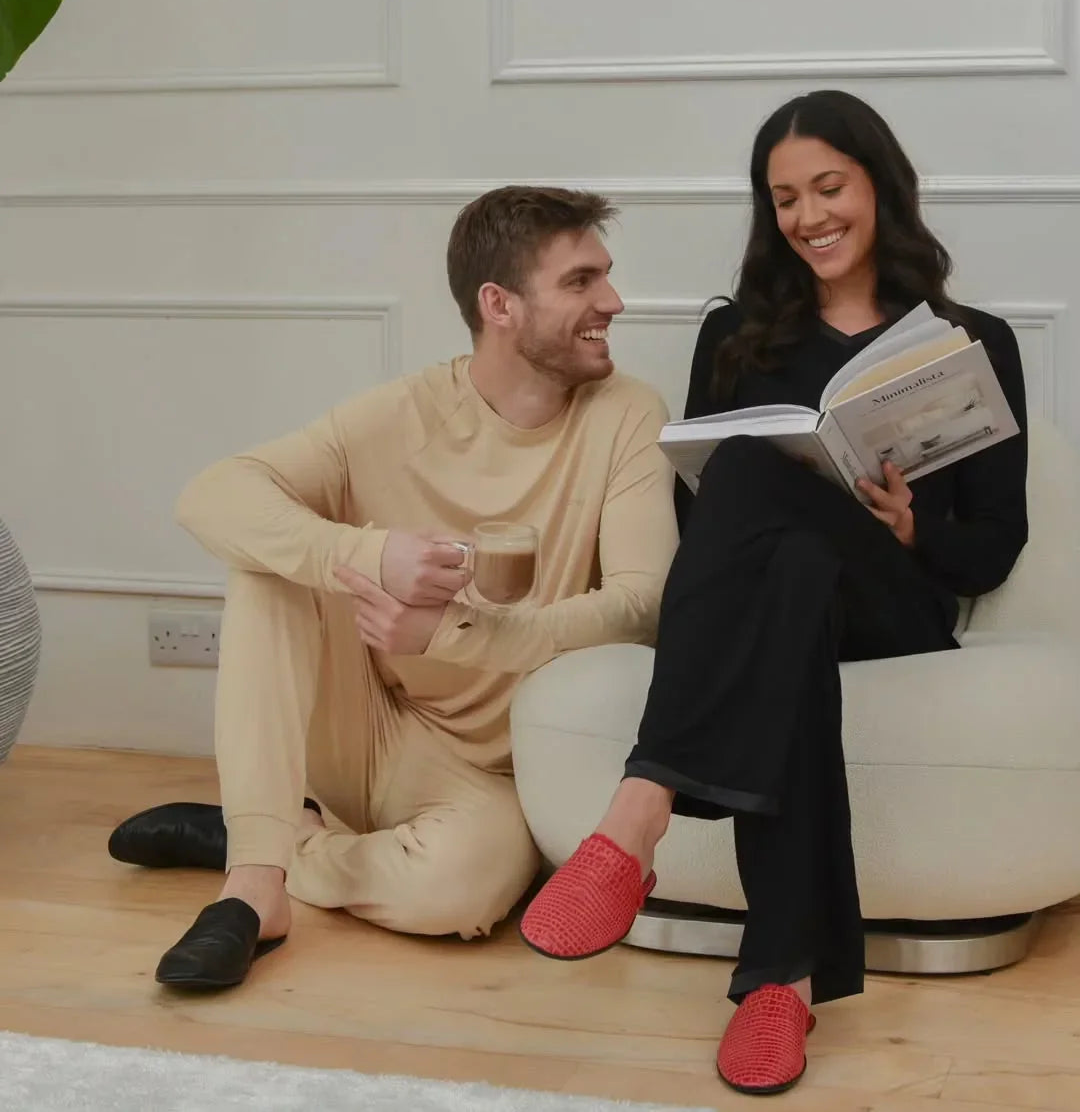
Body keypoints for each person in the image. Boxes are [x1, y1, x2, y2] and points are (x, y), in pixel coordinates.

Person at [519, 92, 1028, 1096]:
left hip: (897, 611)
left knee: (766, 489)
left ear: (878, 184)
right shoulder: (738, 338)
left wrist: (911, 525)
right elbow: (701, 512)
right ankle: (779, 983)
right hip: (777, 609)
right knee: (770, 525)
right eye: (784, 197)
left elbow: (996, 547)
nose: (808, 214)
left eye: (828, 186)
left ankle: (638, 812)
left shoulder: (973, 339)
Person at [108, 185, 679, 991]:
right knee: (267, 559)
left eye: (605, 277)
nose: (612, 302)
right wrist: (372, 555)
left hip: (491, 772)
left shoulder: (626, 415)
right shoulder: (402, 412)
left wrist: (454, 631)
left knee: (462, 895)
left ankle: (271, 841)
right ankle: (255, 889)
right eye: (581, 281)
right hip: (366, 720)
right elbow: (212, 495)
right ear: (500, 305)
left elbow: (639, 604)